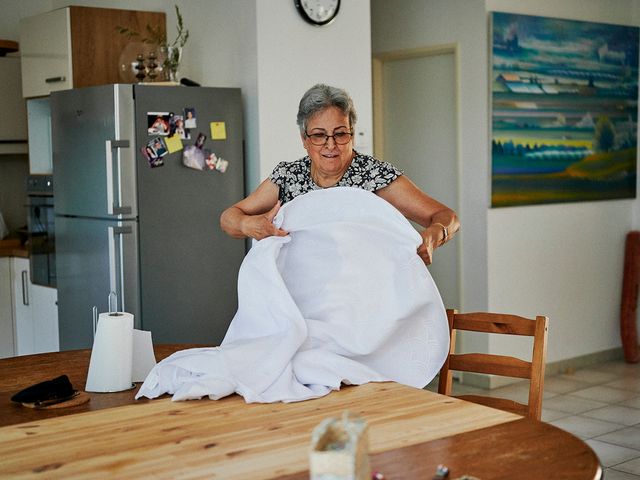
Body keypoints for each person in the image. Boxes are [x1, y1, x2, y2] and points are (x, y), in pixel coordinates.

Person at [220, 84, 459, 265]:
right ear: (304, 140)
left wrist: (433, 236)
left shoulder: (374, 176)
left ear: (352, 134)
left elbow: (447, 216)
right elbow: (228, 218)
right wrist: (248, 224)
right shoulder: (288, 176)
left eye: (340, 134)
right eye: (319, 135)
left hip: (361, 300)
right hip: (299, 301)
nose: (330, 145)